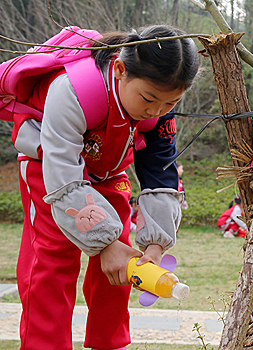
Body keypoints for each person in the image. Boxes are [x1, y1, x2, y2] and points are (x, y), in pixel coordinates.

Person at [11, 25, 199, 350]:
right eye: (149, 98)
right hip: (52, 167)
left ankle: (109, 343)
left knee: (123, 263)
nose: (156, 111)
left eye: (170, 103)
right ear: (121, 69)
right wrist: (103, 243)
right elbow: (65, 177)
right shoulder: (73, 89)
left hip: (109, 168)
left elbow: (160, 175)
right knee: (53, 262)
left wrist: (155, 245)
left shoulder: (158, 109)